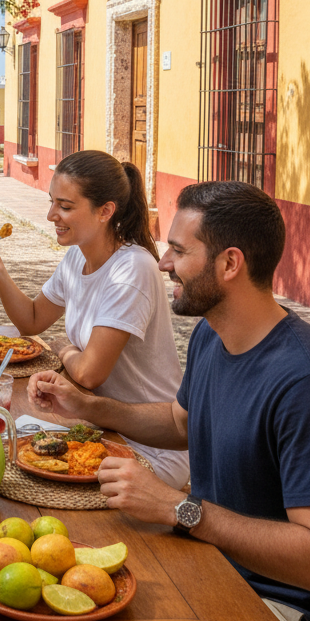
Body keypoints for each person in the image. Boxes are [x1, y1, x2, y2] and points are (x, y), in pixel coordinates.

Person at [28, 181, 310, 621]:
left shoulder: (300, 379)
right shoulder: (210, 334)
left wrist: (179, 508)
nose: (163, 263)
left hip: (270, 601)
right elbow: (181, 424)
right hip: (204, 558)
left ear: (230, 263)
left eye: (178, 251)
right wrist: (89, 406)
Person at [0, 149, 189, 488]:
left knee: (19, 480)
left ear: (105, 211)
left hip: (150, 445)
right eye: (53, 202)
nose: (51, 215)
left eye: (66, 207)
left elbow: (88, 370)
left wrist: (63, 348)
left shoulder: (131, 270)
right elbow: (32, 319)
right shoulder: (76, 257)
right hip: (99, 426)